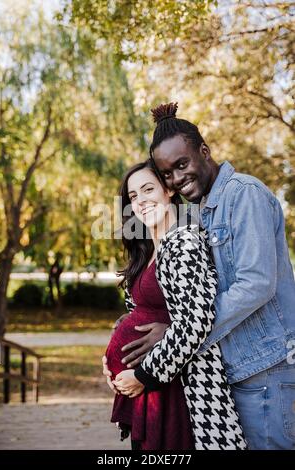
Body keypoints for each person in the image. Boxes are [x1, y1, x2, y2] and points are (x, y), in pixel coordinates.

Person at [103, 102, 295, 450]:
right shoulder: (202, 212)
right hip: (236, 368)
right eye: (167, 174)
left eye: (182, 164)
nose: (177, 178)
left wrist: (179, 331)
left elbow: (256, 284)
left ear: (204, 151)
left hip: (267, 369)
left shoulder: (243, 194)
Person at [105, 160, 246, 450]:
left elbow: (195, 322)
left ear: (168, 190)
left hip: (181, 388)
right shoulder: (148, 249)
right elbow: (141, 314)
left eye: (148, 189)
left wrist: (143, 374)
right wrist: (112, 359)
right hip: (148, 389)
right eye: (133, 196)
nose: (141, 200)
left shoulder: (185, 242)